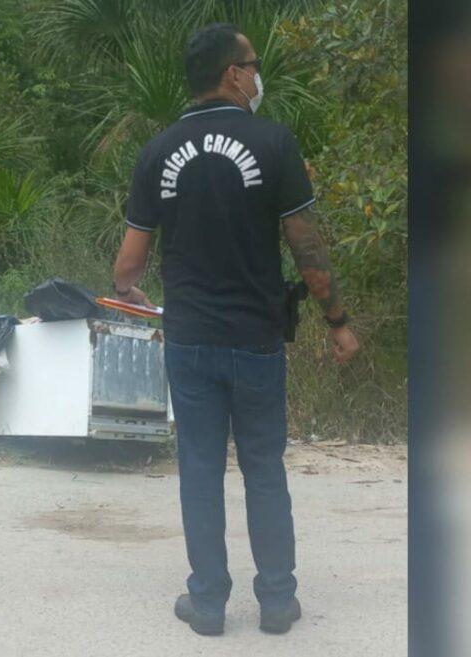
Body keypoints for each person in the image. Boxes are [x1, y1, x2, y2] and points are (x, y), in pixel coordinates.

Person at [111, 23, 359, 637]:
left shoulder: (157, 151)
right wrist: (337, 323)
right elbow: (308, 252)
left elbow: (128, 265)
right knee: (264, 468)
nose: (256, 75)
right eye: (252, 64)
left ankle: (208, 604)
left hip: (190, 341)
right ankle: (276, 602)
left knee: (198, 468)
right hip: (256, 339)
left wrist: (128, 291)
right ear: (231, 73)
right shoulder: (273, 143)